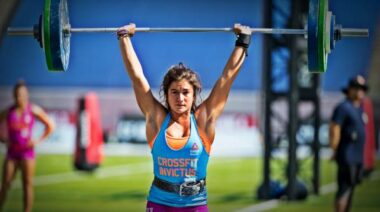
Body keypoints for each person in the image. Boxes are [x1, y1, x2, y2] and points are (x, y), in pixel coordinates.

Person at [117, 23, 252, 211]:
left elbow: (226, 78)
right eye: (174, 92)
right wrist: (124, 37)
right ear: (166, 94)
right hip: (159, 204)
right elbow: (137, 78)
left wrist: (243, 41)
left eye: (185, 92)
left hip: (195, 205)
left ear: (194, 95)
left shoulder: (203, 120)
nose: (180, 98)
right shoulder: (156, 120)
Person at [0, 80, 55, 212]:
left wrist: (37, 141)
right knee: (6, 184)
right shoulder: (9, 111)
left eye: (22, 94)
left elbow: (50, 126)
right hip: (12, 152)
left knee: (27, 185)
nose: (20, 97)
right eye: (18, 94)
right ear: (14, 95)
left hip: (27, 153)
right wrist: (3, 140)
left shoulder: (33, 110)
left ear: (27, 95)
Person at [329, 75, 368, 212]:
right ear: (350, 89)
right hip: (347, 155)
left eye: (362, 88)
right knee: (344, 188)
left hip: (357, 157)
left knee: (350, 188)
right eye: (356, 88)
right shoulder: (343, 107)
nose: (359, 91)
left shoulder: (359, 108)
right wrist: (334, 149)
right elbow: (335, 128)